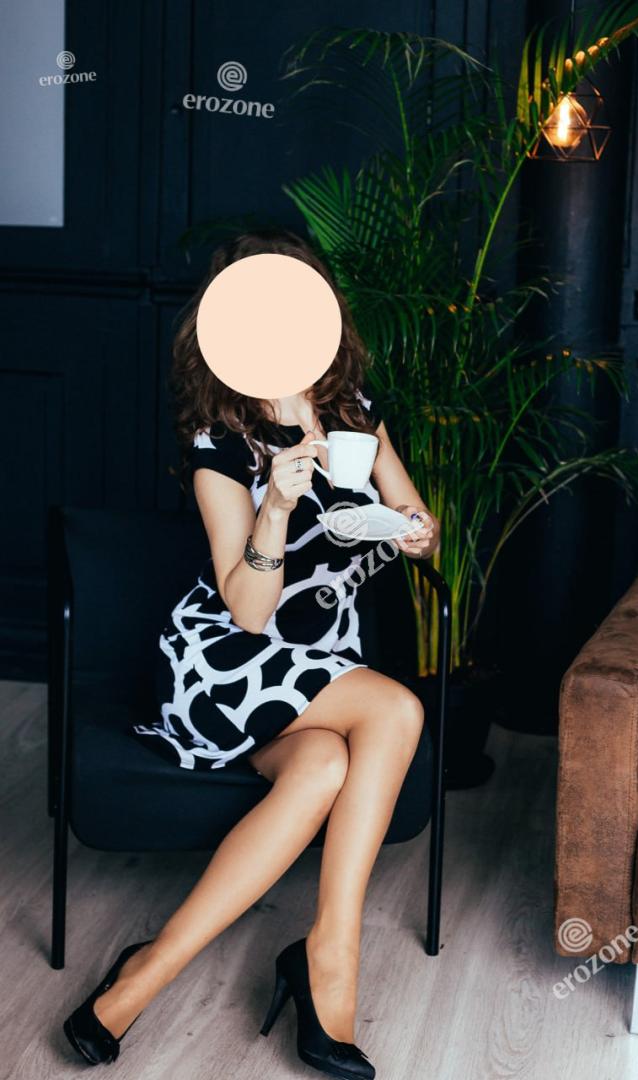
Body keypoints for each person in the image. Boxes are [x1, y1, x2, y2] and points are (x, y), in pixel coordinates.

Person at [62, 228, 440, 1080]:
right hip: (228, 664)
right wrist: (276, 507)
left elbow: (419, 523)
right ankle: (330, 956)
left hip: (322, 666)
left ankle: (145, 969)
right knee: (396, 708)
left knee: (323, 767)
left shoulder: (356, 410)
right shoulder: (219, 442)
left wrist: (415, 534)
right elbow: (249, 608)